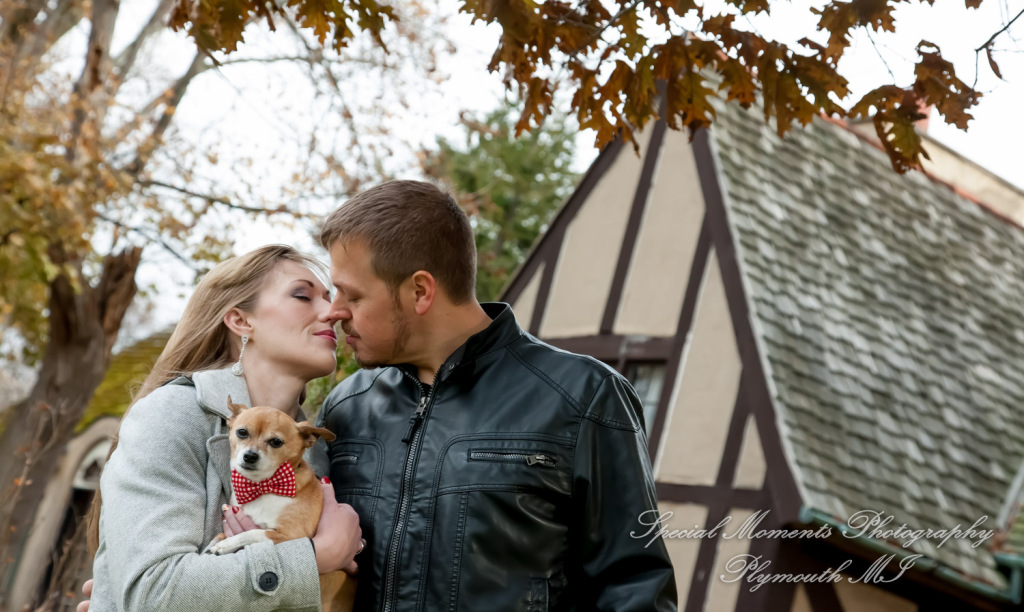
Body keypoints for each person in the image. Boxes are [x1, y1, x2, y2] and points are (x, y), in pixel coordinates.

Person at [315, 180, 677, 610]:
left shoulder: (584, 398)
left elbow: (634, 590)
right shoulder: (346, 407)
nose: (334, 311)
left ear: (420, 291)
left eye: (352, 294)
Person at [86, 245, 363, 611]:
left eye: (328, 297)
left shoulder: (320, 446)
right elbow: (152, 594)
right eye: (302, 295)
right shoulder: (173, 414)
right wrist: (315, 557)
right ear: (241, 321)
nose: (332, 312)